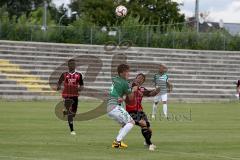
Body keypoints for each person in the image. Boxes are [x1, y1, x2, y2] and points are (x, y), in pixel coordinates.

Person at [125, 73, 160, 151]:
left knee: (149, 129)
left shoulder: (142, 89)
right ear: (136, 78)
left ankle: (147, 142)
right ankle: (150, 144)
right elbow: (131, 91)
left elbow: (151, 94)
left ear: (143, 81)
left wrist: (159, 89)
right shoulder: (131, 87)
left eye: (141, 78)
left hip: (140, 112)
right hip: (131, 111)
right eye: (138, 77)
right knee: (143, 123)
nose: (139, 79)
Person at [107, 64, 138, 149]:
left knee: (125, 124)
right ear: (121, 73)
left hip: (109, 107)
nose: (128, 73)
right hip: (114, 106)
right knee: (131, 122)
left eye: (128, 71)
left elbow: (118, 92)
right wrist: (133, 90)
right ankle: (117, 142)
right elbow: (131, 97)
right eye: (126, 72)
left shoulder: (115, 79)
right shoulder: (124, 82)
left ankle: (118, 141)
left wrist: (122, 96)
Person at [57, 59, 84, 135]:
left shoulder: (79, 75)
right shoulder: (64, 74)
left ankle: (65, 111)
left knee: (74, 113)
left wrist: (80, 89)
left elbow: (82, 85)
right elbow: (59, 82)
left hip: (75, 95)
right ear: (68, 65)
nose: (72, 65)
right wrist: (58, 86)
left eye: (74, 64)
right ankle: (72, 130)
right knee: (70, 112)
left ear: (75, 65)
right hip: (67, 95)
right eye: (71, 64)